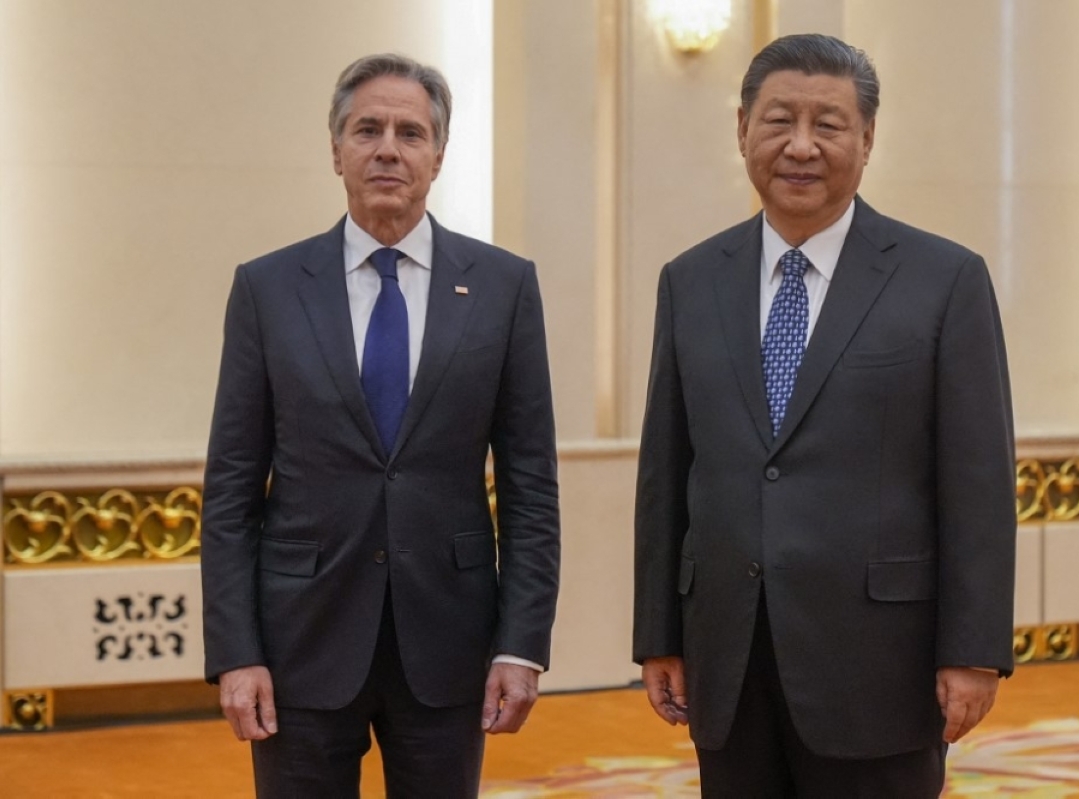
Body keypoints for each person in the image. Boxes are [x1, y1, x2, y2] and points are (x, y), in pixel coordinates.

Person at [633, 33, 1015, 798]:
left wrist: (973, 649)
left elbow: (978, 484)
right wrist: (659, 635)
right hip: (730, 658)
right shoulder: (692, 280)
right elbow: (667, 472)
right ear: (742, 128)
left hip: (879, 662)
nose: (801, 146)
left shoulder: (944, 281)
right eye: (779, 121)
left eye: (828, 125)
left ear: (867, 138)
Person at [201, 53, 561, 798]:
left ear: (438, 153)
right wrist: (236, 653)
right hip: (299, 645)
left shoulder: (504, 286)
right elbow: (231, 489)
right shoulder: (267, 289)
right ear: (336, 149)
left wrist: (523, 644)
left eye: (410, 131)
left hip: (449, 645)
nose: (388, 148)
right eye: (367, 129)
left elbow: (532, 487)